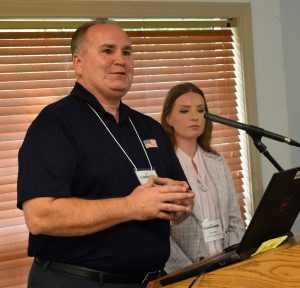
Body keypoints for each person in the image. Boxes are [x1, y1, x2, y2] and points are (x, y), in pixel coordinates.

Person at [17, 19, 195, 288]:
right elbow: (40, 217)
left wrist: (180, 204)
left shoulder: (149, 127)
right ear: (78, 63)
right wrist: (131, 206)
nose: (120, 60)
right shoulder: (54, 124)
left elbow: (179, 197)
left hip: (151, 281)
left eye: (127, 52)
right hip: (76, 280)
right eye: (107, 51)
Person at [160, 82, 245, 273]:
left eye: (200, 110)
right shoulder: (162, 165)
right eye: (184, 111)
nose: (194, 117)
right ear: (169, 119)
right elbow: (161, 232)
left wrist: (232, 260)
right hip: (186, 273)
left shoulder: (217, 161)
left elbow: (234, 219)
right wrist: (190, 271)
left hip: (226, 267)